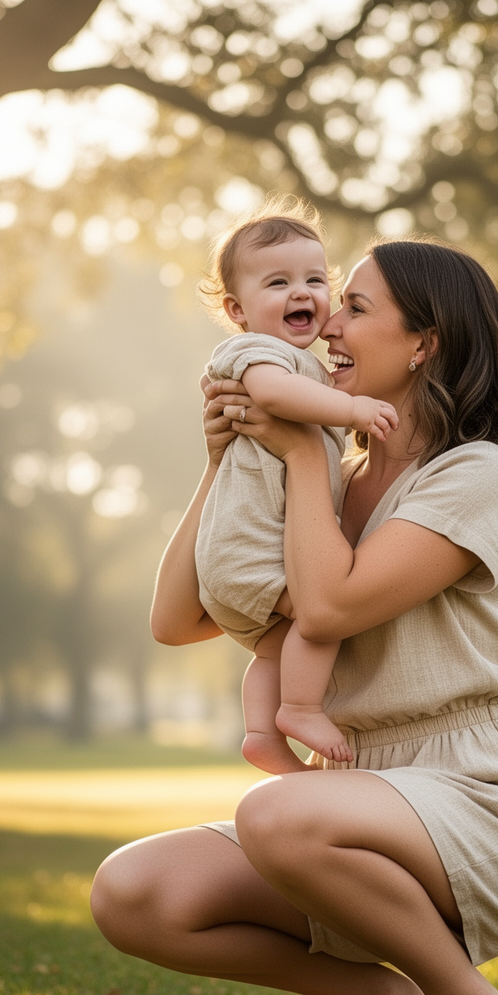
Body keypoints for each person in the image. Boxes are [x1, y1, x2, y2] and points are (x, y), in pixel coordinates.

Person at [91, 236, 498, 995]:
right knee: (132, 892)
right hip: (351, 798)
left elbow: (328, 608)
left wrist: (304, 450)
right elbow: (176, 619)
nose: (328, 323)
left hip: (478, 798)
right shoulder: (326, 471)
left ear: (424, 340)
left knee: (276, 812)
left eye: (355, 305)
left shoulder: (479, 475)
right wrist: (227, 463)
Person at [192, 197, 399, 773]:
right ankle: (301, 708)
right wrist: (352, 408)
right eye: (278, 282)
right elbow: (276, 399)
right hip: (252, 547)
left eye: (314, 278)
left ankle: (262, 733)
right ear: (237, 309)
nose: (301, 292)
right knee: (319, 614)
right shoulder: (256, 353)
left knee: (274, 645)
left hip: (238, 558)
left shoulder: (301, 363)